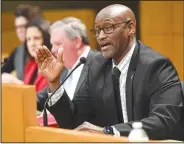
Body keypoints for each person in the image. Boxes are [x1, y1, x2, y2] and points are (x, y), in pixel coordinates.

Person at [34, 4, 184, 140]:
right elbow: (73, 120)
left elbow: (165, 121)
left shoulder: (156, 66)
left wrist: (109, 131)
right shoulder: (97, 66)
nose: (101, 36)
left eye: (108, 28)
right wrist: (55, 83)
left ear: (130, 28)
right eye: (97, 30)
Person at [36, 17, 96, 111]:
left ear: (77, 42)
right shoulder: (64, 69)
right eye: (52, 45)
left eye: (58, 44)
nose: (52, 50)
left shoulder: (100, 63)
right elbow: (41, 98)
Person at [2, 4, 49, 84]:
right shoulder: (17, 51)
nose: (19, 30)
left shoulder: (46, 51)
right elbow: (3, 70)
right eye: (17, 27)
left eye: (23, 26)